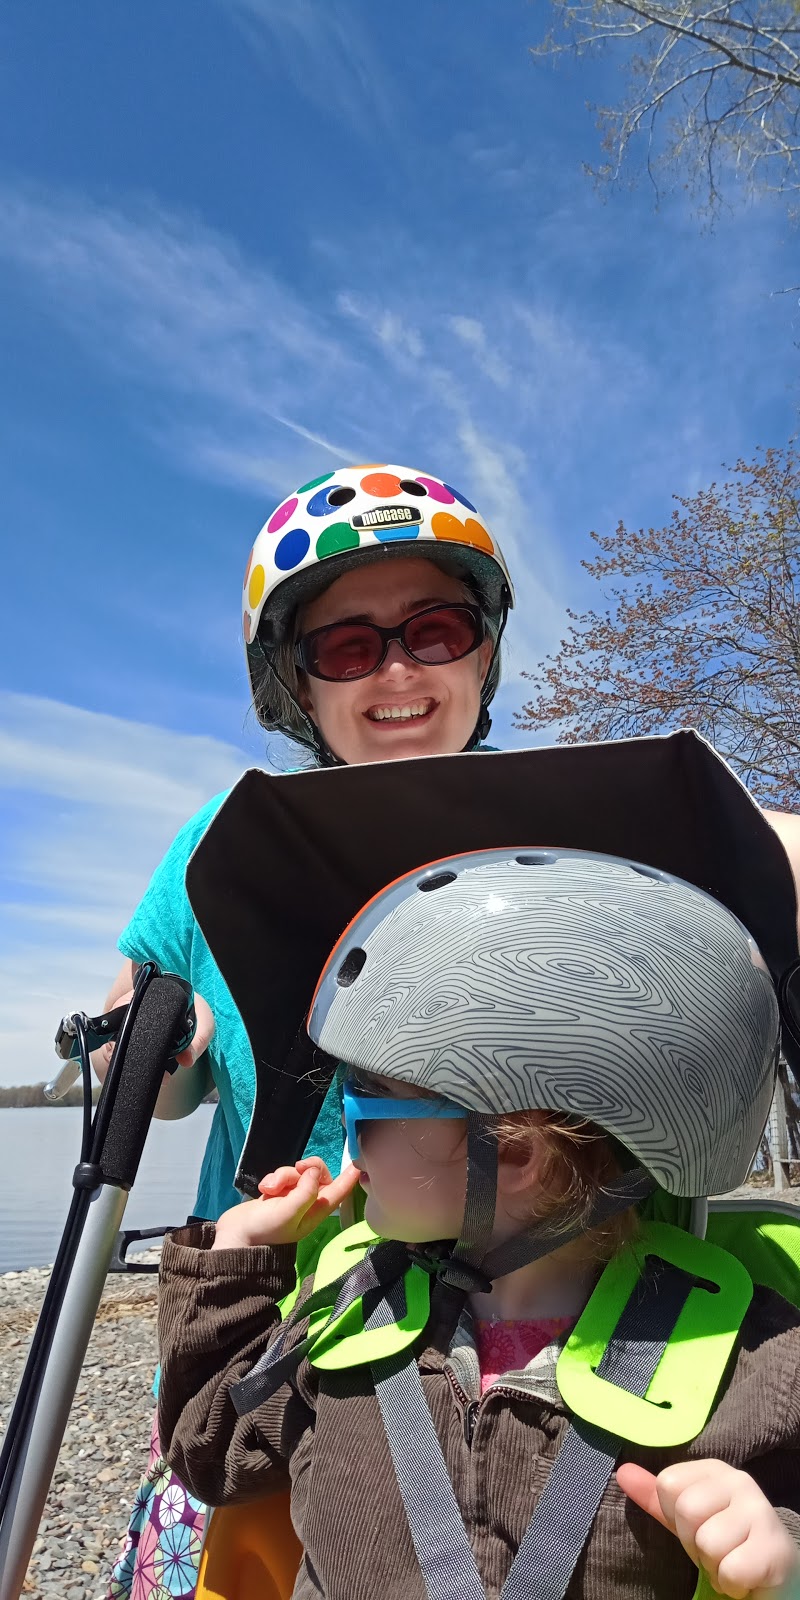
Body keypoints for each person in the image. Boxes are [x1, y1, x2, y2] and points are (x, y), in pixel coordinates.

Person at [157, 848, 800, 1600]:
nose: (344, 1146)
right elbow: (209, 1448)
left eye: (365, 1106)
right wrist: (238, 1252)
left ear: (515, 1153)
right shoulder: (349, 1309)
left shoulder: (743, 1359)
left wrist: (782, 1556)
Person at [100, 463, 515, 1599]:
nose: (397, 671)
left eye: (435, 630)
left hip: (514, 1310)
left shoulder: (562, 818)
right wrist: (149, 1043)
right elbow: (150, 1075)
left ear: (481, 652)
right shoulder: (226, 841)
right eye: (347, 646)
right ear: (296, 682)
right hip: (270, 1313)